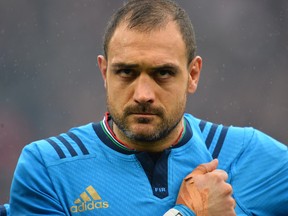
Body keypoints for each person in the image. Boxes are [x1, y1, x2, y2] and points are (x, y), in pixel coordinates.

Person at [8, 0, 288, 215]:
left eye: (163, 73)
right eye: (126, 72)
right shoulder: (48, 169)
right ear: (104, 72)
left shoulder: (249, 155)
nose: (143, 94)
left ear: (193, 75)